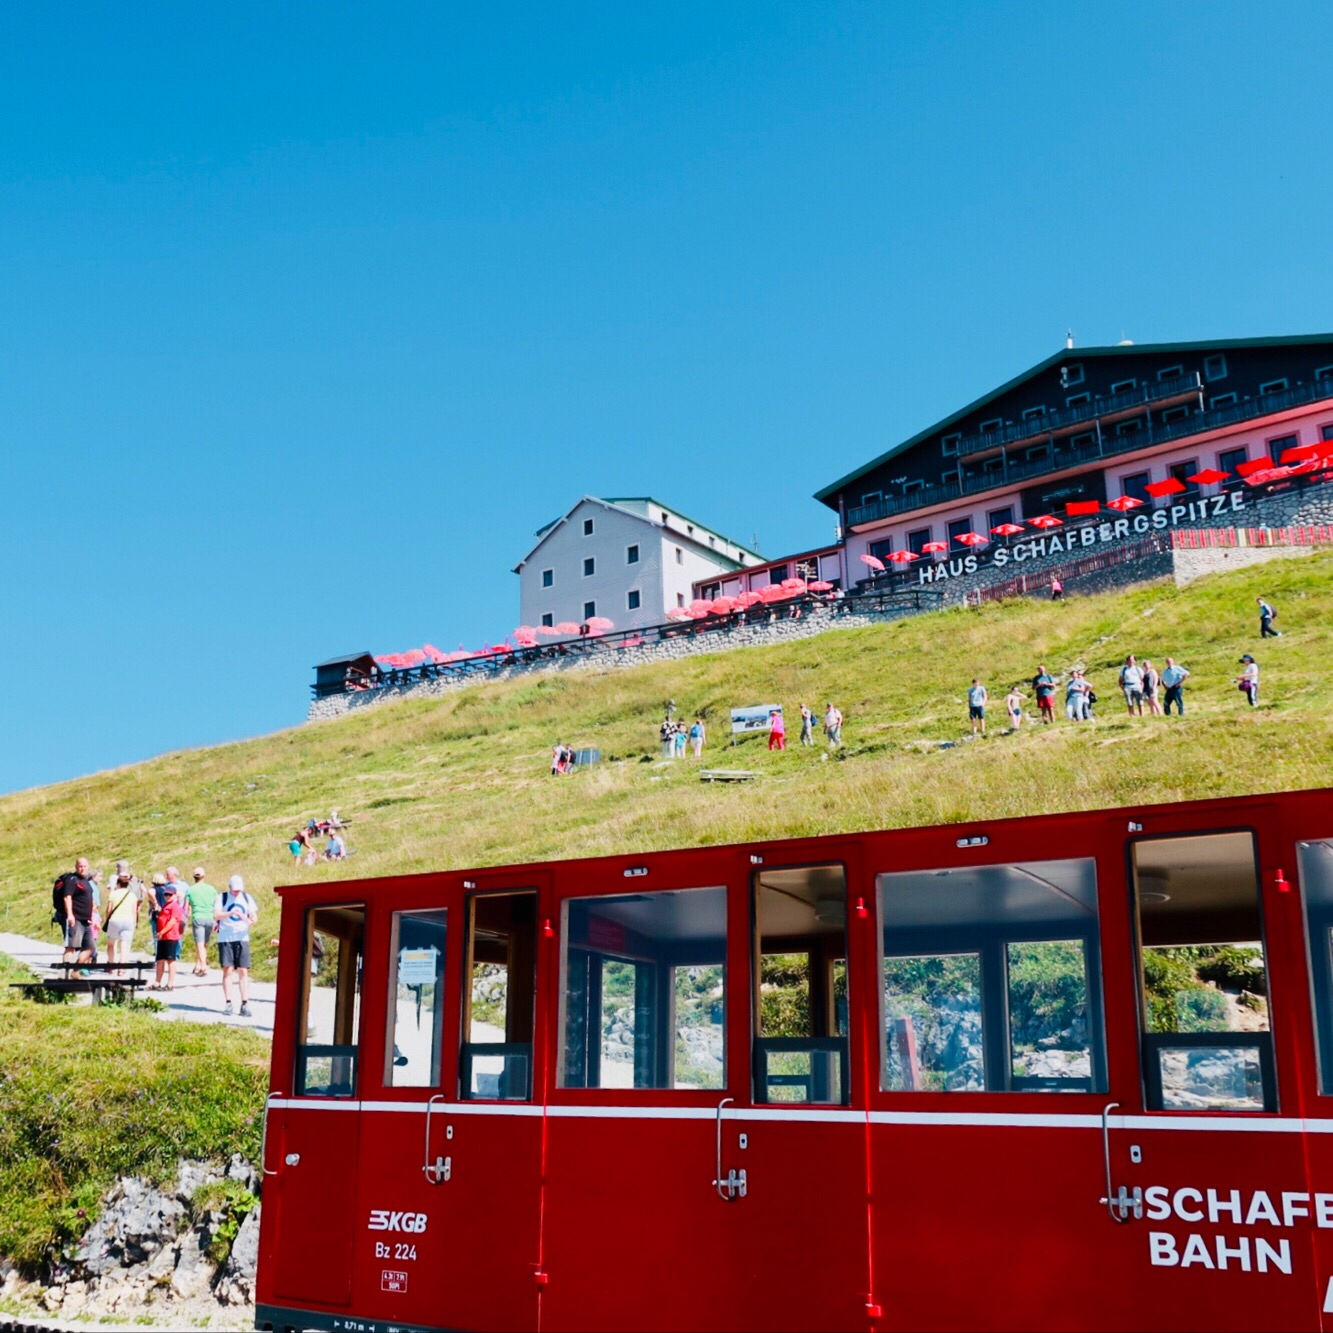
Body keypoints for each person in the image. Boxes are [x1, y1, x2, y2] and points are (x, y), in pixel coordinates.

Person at [215, 874, 259, 1018]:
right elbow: (216, 915)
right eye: (234, 890)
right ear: (229, 888)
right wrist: (230, 913)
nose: (236, 893)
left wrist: (248, 921)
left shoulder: (247, 898)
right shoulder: (222, 898)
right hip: (225, 938)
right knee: (228, 970)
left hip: (242, 938)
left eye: (238, 890)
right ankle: (228, 1002)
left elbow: (254, 917)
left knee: (243, 971)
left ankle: (244, 1003)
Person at [102, 861, 142, 975]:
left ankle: (111, 965)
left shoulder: (113, 894)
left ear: (118, 884)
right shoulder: (132, 895)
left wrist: (107, 919)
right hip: (128, 920)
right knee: (125, 944)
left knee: (111, 943)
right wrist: (134, 923)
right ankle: (122, 967)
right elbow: (135, 911)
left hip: (115, 920)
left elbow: (109, 909)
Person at [55, 857, 96, 967]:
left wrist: (91, 916)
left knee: (90, 947)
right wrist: (70, 915)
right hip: (75, 919)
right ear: (76, 867)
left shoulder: (86, 881)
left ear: (88, 866)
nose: (82, 868)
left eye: (84, 866)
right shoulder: (72, 880)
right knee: (71, 946)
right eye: (80, 866)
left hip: (85, 920)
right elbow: (67, 897)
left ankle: (76, 969)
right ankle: (66, 972)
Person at [151, 879, 186, 991]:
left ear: (175, 895)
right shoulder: (166, 906)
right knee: (160, 959)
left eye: (170, 895)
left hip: (170, 936)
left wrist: (162, 932)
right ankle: (157, 982)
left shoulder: (175, 906)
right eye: (166, 894)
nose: (167, 896)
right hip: (163, 937)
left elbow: (172, 921)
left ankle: (170, 984)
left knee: (171, 959)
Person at [185, 868, 218, 977]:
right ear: (204, 876)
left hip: (198, 917)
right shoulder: (212, 889)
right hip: (210, 917)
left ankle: (203, 966)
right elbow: (217, 904)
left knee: (199, 943)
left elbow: (186, 907)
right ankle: (198, 965)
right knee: (205, 943)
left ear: (194, 877)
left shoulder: (190, 890)